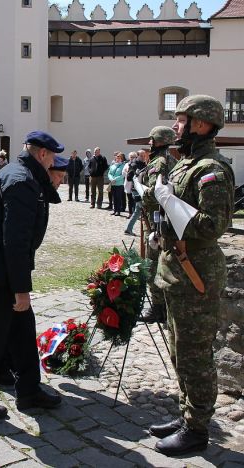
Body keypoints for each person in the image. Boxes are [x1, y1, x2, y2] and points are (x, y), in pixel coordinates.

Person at [137, 96, 234, 456]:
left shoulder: (212, 169)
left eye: (181, 120)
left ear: (202, 124)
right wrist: (155, 203)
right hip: (175, 271)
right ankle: (186, 415)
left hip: (196, 274)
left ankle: (197, 430)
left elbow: (212, 226)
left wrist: (169, 201)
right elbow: (166, 206)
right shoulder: (186, 164)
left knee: (195, 356)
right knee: (179, 352)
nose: (175, 127)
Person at [0, 131, 64, 419]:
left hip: (4, 264)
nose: (53, 163)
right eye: (52, 157)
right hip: (0, 267)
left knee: (21, 329)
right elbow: (15, 240)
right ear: (42, 154)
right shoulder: (22, 180)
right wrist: (21, 288)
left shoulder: (22, 173)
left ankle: (28, 389)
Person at [137, 126, 179, 323]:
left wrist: (139, 188)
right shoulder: (172, 160)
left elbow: (156, 193)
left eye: (152, 139)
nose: (149, 142)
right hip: (163, 220)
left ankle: (158, 308)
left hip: (156, 222)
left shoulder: (159, 162)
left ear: (159, 141)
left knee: (153, 264)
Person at [124, 151, 147, 235]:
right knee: (141, 210)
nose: (143, 157)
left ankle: (128, 228)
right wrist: (136, 174)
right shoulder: (134, 165)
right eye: (141, 156)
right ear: (137, 156)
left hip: (143, 189)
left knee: (138, 211)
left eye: (144, 156)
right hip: (136, 190)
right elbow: (128, 178)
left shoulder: (144, 164)